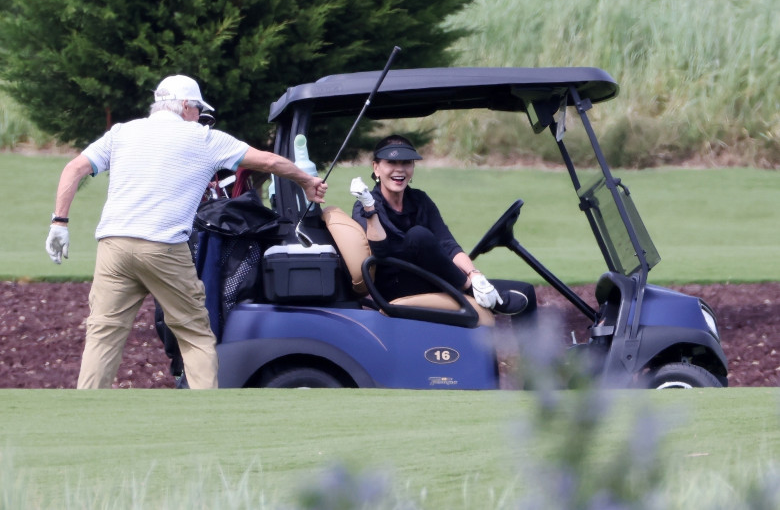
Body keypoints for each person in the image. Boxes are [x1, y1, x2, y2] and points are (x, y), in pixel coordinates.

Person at [45, 74, 328, 389]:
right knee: (194, 332)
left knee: (104, 332)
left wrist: (60, 222)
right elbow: (270, 161)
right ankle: (204, 414)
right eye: (199, 111)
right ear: (185, 106)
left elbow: (75, 168)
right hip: (164, 247)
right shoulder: (204, 138)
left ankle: (87, 410)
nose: (202, 119)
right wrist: (306, 181)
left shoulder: (121, 133)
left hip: (113, 246)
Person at [350, 134, 531, 315]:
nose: (400, 170)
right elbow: (380, 251)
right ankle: (470, 290)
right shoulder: (365, 206)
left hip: (438, 280)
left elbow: (448, 244)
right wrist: (369, 207)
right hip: (397, 288)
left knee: (526, 292)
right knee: (418, 236)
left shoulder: (420, 200)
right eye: (391, 163)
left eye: (406, 163)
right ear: (376, 168)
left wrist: (475, 276)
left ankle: (534, 342)